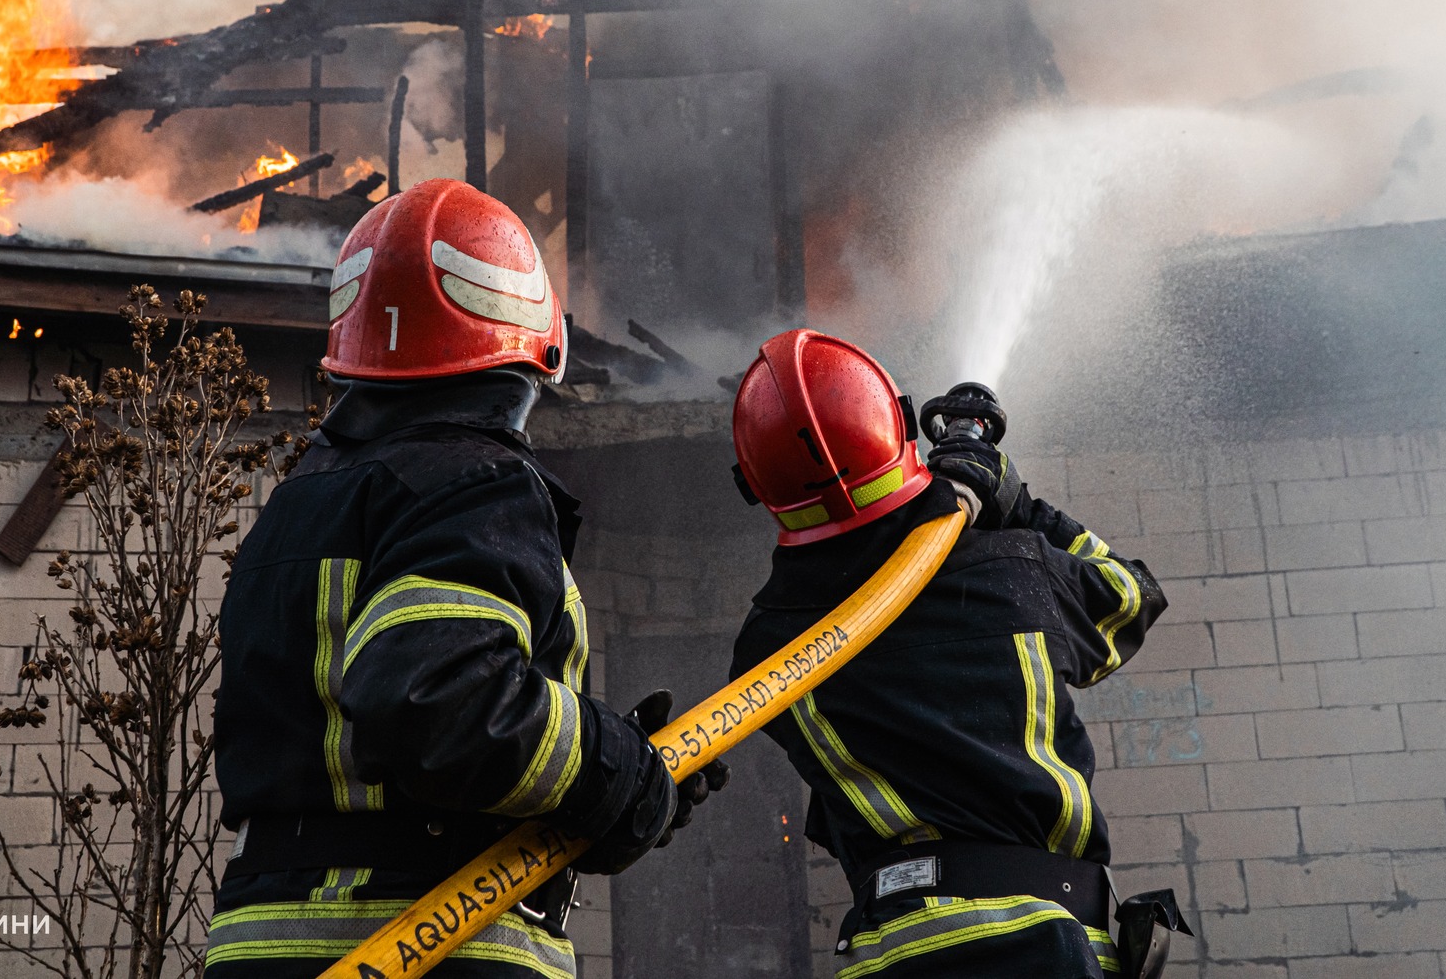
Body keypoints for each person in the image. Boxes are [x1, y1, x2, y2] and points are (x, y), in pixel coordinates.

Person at [208, 179, 717, 979]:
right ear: (531, 351)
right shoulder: (474, 480)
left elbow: (398, 710)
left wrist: (618, 793)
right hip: (433, 940)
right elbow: (439, 702)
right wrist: (613, 760)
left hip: (260, 942)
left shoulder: (299, 502)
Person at [727, 329, 1175, 978]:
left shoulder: (769, 647)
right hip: (1047, 943)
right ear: (895, 427)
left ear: (761, 484)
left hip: (891, 953)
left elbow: (852, 587)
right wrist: (1016, 505)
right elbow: (1133, 597)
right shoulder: (1015, 569)